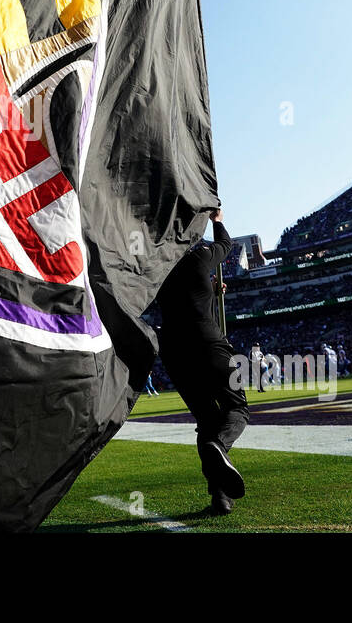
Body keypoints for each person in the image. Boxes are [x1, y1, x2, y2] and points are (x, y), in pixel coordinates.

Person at [155, 208, 250, 516]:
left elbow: (186, 293)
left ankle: (220, 497)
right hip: (207, 343)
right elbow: (226, 244)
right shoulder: (199, 258)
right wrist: (218, 220)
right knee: (238, 408)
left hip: (174, 351)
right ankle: (220, 446)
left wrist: (210, 289)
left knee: (206, 421)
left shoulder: (158, 271)